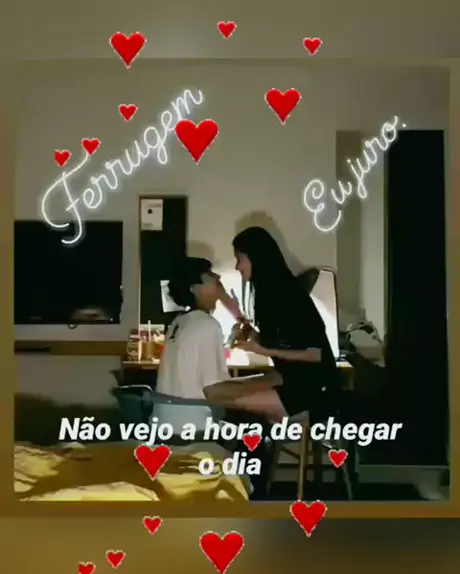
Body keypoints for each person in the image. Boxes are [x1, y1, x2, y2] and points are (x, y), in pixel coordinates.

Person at [203, 226, 340, 423]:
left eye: (240, 259)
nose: (237, 267)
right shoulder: (267, 295)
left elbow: (315, 354)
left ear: (256, 258)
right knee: (212, 391)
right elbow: (282, 340)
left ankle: (268, 435)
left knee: (223, 401)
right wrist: (251, 334)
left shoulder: (288, 294)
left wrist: (263, 350)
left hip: (312, 386)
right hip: (288, 377)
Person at [154, 257, 243, 433]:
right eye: (209, 274)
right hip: (194, 429)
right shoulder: (206, 324)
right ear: (195, 288)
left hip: (164, 425)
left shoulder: (179, 322)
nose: (218, 277)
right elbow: (216, 389)